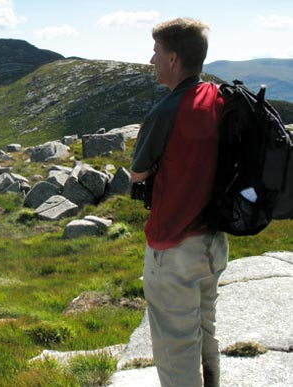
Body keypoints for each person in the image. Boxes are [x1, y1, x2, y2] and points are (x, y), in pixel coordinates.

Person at [130, 18, 229, 387]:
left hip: (173, 245)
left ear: (173, 59)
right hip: (213, 243)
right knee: (205, 330)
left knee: (176, 348)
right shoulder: (220, 100)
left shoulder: (167, 110)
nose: (151, 59)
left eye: (156, 53)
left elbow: (138, 174)